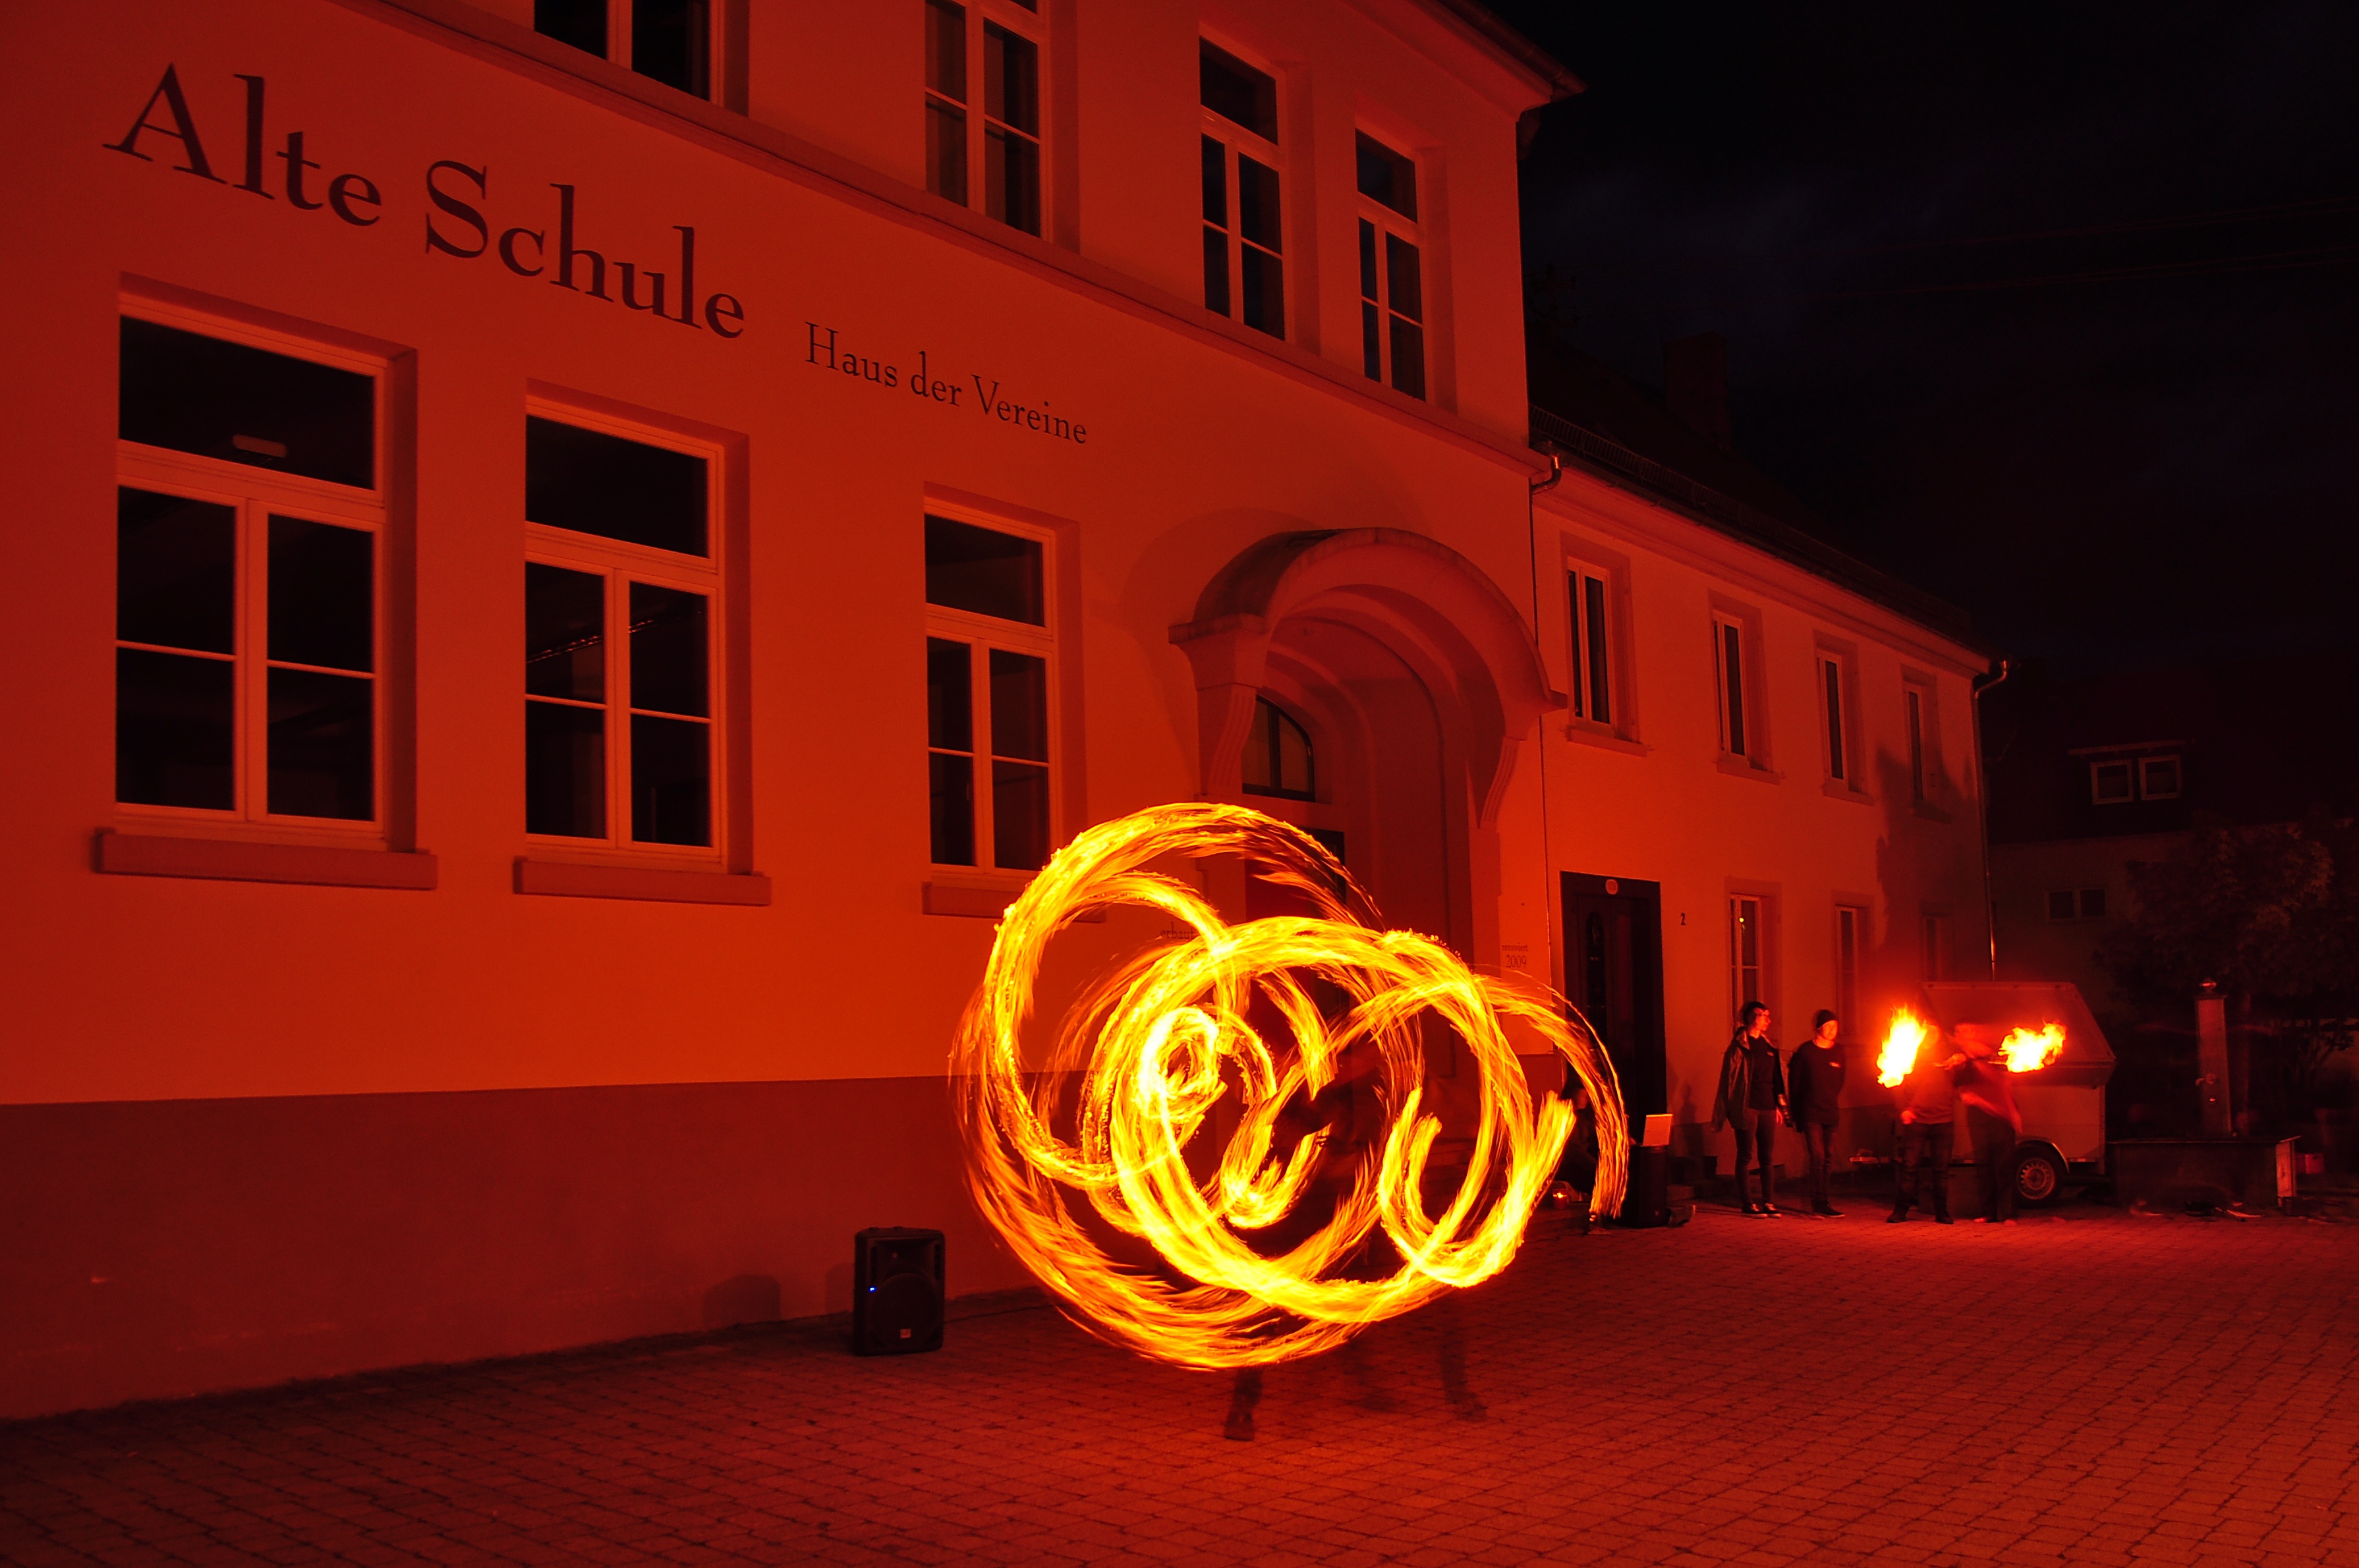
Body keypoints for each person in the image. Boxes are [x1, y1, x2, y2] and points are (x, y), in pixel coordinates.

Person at [1711, 1002, 1788, 1216]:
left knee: (1767, 1156)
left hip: (1767, 1107)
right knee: (1745, 1155)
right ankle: (1747, 1203)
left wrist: (1779, 1107)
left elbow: (1776, 1079)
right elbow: (1728, 1081)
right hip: (1748, 1107)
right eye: (1763, 1016)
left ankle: (1769, 1202)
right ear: (1752, 1017)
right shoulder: (1739, 1047)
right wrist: (1727, 1111)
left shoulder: (1769, 1047)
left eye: (1768, 1015)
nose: (1767, 1020)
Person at [1952, 1024, 2022, 1225]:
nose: (1964, 1035)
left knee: (2005, 1165)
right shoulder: (1959, 1061)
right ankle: (1988, 1213)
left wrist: (2013, 1113)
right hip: (1978, 1118)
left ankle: (2008, 1214)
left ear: (1974, 1033)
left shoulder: (1992, 1055)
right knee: (1984, 1165)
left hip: (2001, 1117)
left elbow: (2005, 1084)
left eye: (1967, 1031)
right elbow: (1957, 1088)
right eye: (1959, 1032)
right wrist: (1965, 1096)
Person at [1890, 1033, 1960, 1223]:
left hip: (1943, 1119)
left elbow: (1965, 1079)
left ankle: (1942, 1212)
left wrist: (1961, 1062)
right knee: (1909, 1167)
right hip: (1917, 1119)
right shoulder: (1909, 1051)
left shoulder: (1950, 1054)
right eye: (1927, 1030)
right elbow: (1895, 1081)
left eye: (1934, 1030)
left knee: (1941, 1169)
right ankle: (1900, 1210)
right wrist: (1903, 1109)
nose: (1931, 1034)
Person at [1786, 1010, 1848, 1217]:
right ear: (1819, 1028)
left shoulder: (1839, 1051)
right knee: (1818, 1157)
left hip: (1831, 1112)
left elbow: (1840, 1081)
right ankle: (1817, 1201)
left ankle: (1825, 1200)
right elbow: (1795, 1084)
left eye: (1835, 1026)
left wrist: (1830, 1099)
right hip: (1811, 1112)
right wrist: (1795, 1113)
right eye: (1828, 1026)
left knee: (1828, 1158)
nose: (1832, 1030)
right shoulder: (1806, 1052)